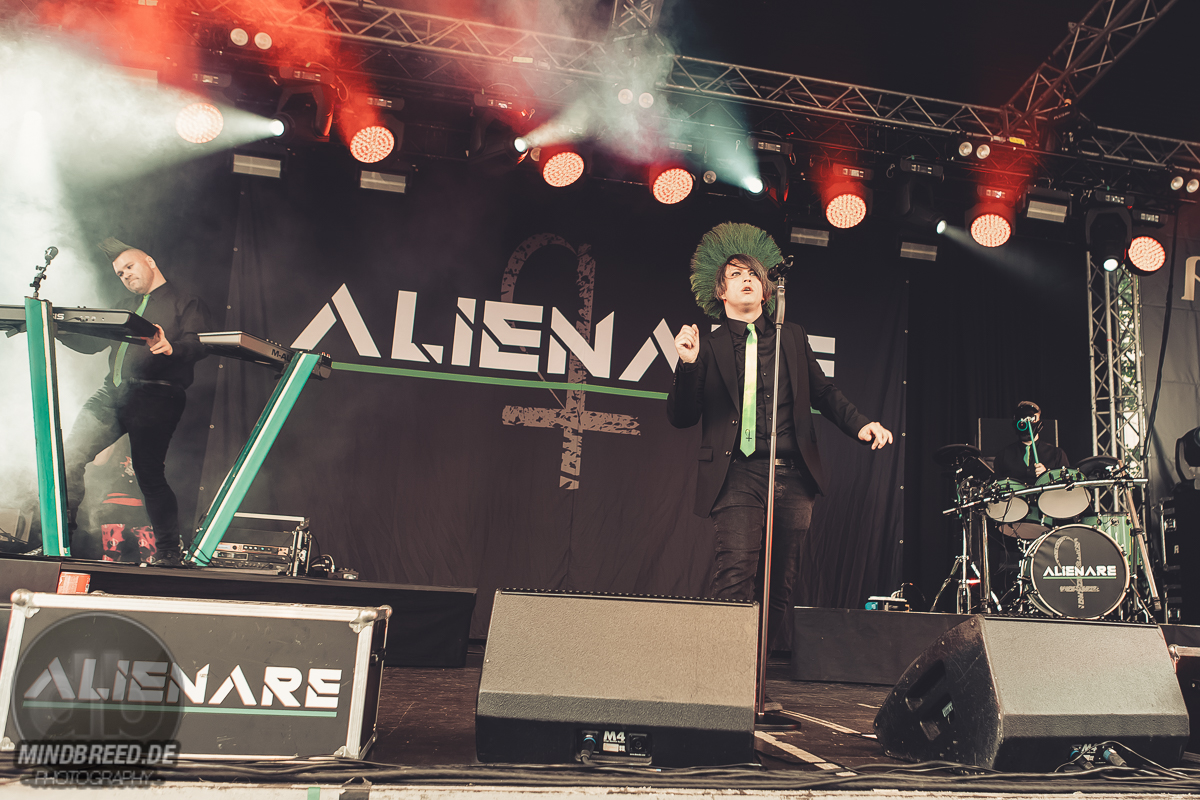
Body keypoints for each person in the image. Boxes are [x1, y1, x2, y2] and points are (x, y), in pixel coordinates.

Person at [666, 222, 893, 677]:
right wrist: (687, 365)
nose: (747, 279)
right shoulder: (708, 346)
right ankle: (719, 678)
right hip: (736, 473)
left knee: (778, 585)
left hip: (792, 474)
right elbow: (682, 416)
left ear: (767, 289)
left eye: (753, 273)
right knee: (736, 572)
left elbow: (824, 393)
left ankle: (753, 678)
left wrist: (862, 424)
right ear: (721, 292)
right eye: (735, 274)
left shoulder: (791, 336)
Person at [57, 238, 211, 566]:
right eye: (120, 273)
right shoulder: (124, 305)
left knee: (148, 473)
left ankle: (168, 552)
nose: (125, 275)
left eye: (129, 267)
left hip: (157, 395)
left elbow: (199, 343)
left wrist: (172, 347)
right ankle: (60, 539)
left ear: (149, 262)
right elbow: (93, 344)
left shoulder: (185, 300)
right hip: (112, 393)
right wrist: (57, 330)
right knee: (68, 457)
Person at [991, 400, 1069, 482]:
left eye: (1031, 419)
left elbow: (1066, 483)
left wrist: (1048, 476)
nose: (1027, 423)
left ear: (1040, 424)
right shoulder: (1003, 456)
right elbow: (995, 484)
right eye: (1022, 419)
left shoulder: (1056, 454)